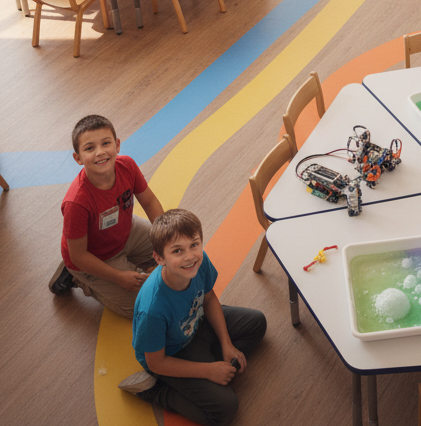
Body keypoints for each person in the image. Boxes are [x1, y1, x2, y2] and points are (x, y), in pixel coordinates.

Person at [121, 208, 267, 425]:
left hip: (197, 325)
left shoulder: (200, 261)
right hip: (171, 354)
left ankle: (213, 360)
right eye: (177, 251)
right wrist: (208, 370)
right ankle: (158, 391)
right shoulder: (152, 309)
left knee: (257, 323)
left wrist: (227, 344)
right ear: (159, 258)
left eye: (194, 245)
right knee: (225, 410)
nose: (189, 256)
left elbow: (208, 299)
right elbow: (157, 362)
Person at [49, 114, 164, 317]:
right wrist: (119, 277)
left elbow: (150, 202)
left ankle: (130, 265)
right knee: (143, 306)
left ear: (117, 145)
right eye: (89, 148)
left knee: (179, 255)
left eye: (106, 143)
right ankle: (77, 278)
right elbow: (79, 255)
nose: (100, 152)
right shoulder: (76, 202)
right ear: (78, 158)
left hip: (127, 230)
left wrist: (166, 240)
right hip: (92, 257)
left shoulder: (127, 165)